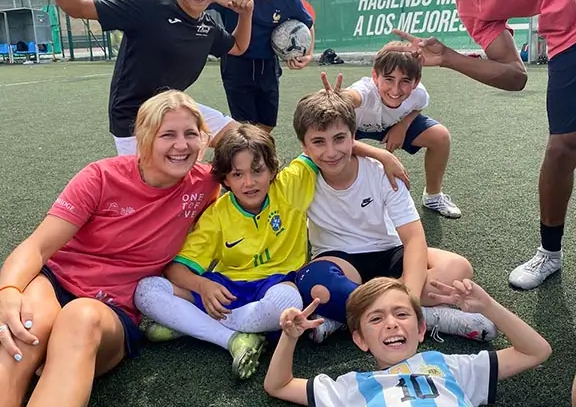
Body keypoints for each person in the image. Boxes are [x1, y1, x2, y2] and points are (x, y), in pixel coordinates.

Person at [377, 0, 576, 290]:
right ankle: (550, 252)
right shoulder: (470, 5)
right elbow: (514, 76)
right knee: (563, 147)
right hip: (569, 33)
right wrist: (447, 58)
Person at [134, 112, 409, 380]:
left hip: (278, 287)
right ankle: (232, 338)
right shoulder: (217, 214)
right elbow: (177, 270)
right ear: (225, 179)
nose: (249, 182)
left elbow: (326, 146)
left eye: (258, 171)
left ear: (273, 169)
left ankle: (194, 324)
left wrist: (381, 154)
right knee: (146, 290)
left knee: (287, 303)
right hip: (228, 292)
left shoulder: (290, 184)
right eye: (237, 174)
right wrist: (202, 286)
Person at [0, 90, 221, 407]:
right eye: (167, 135)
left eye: (190, 134)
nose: (181, 145)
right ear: (144, 139)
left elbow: (261, 168)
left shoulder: (206, 183)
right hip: (56, 284)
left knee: (81, 317)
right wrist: (7, 290)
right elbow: (38, 246)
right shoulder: (101, 177)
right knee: (23, 329)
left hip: (110, 314)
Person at [291, 88, 493, 345]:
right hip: (340, 261)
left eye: (339, 138)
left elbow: (413, 238)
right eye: (318, 142)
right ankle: (430, 318)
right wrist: (380, 151)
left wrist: (410, 296)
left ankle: (347, 318)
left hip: (388, 251)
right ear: (304, 146)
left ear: (353, 137)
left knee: (457, 269)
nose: (330, 152)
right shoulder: (299, 178)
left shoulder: (380, 173)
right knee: (315, 284)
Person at [31, 0, 254, 156]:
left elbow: (237, 47)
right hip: (134, 119)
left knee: (243, 142)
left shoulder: (207, 25)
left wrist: (245, 14)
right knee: (154, 186)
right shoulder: (148, 7)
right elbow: (78, 7)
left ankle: (224, 188)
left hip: (172, 110)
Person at [263, 277, 552, 406]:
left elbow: (536, 351)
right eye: (376, 319)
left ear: (421, 329)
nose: (391, 322)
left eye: (401, 314)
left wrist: (488, 306)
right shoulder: (349, 387)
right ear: (360, 340)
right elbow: (278, 385)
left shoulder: (451, 367)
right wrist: (290, 338)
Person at [209, 0, 315, 132]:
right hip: (237, 64)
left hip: (268, 66)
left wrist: (308, 54)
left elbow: (308, 24)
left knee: (267, 125)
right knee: (246, 128)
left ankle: (260, 159)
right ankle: (247, 162)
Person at [341, 42, 460, 218]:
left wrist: (402, 125)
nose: (396, 90)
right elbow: (351, 98)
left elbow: (418, 106)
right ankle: (330, 203)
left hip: (392, 123)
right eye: (388, 79)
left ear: (416, 82)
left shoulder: (418, 93)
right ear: (375, 76)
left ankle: (433, 197)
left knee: (440, 136)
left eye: (405, 81)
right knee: (330, 150)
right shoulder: (364, 91)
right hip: (354, 127)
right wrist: (382, 155)